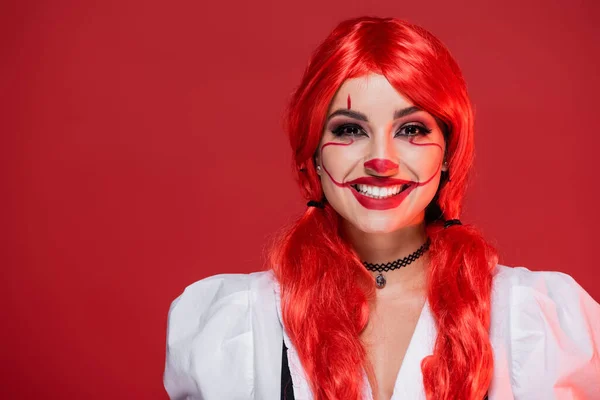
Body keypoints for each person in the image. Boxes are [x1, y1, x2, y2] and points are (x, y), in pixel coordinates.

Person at [162, 16, 600, 400]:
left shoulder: (532, 320)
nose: (381, 160)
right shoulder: (238, 324)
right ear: (312, 153)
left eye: (411, 129)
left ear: (448, 152)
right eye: (351, 130)